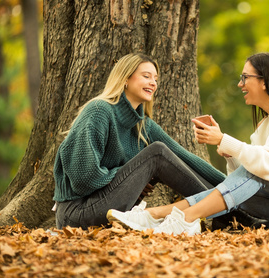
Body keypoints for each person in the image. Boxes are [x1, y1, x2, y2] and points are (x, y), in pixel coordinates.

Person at [108, 52, 269, 235]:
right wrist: (226, 149)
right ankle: (154, 216)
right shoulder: (264, 126)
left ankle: (178, 218)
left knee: (259, 172)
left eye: (245, 77)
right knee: (242, 190)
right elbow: (237, 182)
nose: (240, 84)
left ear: (264, 80)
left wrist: (226, 141)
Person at [52, 53, 228, 229]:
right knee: (157, 153)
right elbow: (83, 179)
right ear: (125, 79)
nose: (153, 82)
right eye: (146, 76)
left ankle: (230, 207)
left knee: (162, 154)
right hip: (77, 214)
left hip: (108, 210)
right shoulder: (99, 111)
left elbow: (187, 159)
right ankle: (230, 212)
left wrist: (232, 185)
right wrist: (130, 174)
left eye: (155, 78)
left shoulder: (143, 124)